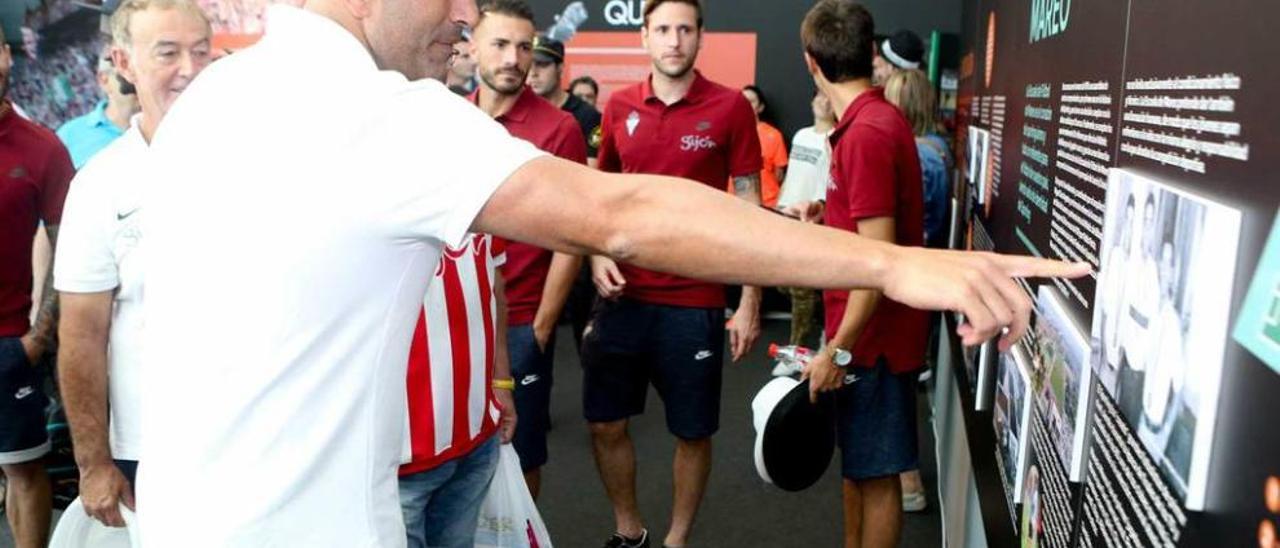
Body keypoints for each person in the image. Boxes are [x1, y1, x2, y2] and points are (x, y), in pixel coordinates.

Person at [131, 0, 1087, 544]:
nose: (462, 18)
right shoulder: (363, 107)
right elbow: (623, 214)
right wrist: (902, 265)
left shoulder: (219, 96)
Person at [587, 1, 765, 546]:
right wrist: (596, 254)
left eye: (684, 29)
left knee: (692, 431)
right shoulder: (617, 107)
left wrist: (750, 301)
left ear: (700, 37)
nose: (673, 40)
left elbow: (749, 207)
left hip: (696, 302)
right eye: (662, 29)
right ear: (644, 37)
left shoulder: (731, 107)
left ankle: (676, 539)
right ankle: (629, 529)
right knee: (605, 425)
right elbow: (600, 196)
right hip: (623, 300)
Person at [53, 0, 212, 528]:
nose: (189, 69)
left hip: (255, 436)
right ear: (124, 62)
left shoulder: (252, 162)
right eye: (168, 53)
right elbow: (81, 335)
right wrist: (93, 462)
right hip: (151, 449)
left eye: (200, 51)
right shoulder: (100, 185)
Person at [792, 2, 929, 546]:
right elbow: (870, 231)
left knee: (876, 478)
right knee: (860, 470)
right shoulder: (867, 123)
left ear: (811, 63)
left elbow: (877, 265)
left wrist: (837, 351)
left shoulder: (869, 132)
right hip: (865, 335)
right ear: (871, 54)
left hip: (873, 342)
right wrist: (831, 214)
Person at [468, 0, 586, 498]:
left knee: (520, 453)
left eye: (523, 47)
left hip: (518, 322)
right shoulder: (448, 119)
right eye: (499, 44)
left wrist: (541, 325)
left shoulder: (559, 130)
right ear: (473, 46)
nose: (514, 58)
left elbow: (574, 236)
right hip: (456, 320)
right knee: (453, 449)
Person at [0, 25, 74, 548]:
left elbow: (68, 248)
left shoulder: (43, 148)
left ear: (7, 56)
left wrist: (36, 340)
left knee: (23, 472)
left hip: (9, 344)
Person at [398, 232, 517, 548]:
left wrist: (500, 382)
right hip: (396, 459)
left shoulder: (477, 190)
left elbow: (494, 284)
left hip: (476, 436)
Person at [882, 67, 948, 514]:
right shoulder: (939, 149)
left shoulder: (920, 157)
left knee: (892, 386)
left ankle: (905, 480)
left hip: (905, 286)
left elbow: (911, 231)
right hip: (922, 282)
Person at [777, 91, 835, 348]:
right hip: (786, 213)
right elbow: (792, 174)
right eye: (819, 97)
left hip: (812, 220)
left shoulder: (836, 138)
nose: (823, 101)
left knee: (803, 288)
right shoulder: (801, 135)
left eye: (828, 98)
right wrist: (780, 202)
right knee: (785, 283)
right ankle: (822, 330)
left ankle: (797, 347)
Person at [55, 50, 140, 169]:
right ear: (104, 81)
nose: (136, 81)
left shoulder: (167, 122)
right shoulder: (69, 136)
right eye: (124, 75)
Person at [526, 35, 602, 167]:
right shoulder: (517, 111)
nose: (533, 72)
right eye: (529, 65)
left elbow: (592, 170)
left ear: (560, 69)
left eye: (542, 64)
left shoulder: (588, 116)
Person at [734, 84, 787, 208]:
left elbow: (778, 175)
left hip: (765, 204)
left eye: (751, 101)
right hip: (733, 202)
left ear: (760, 108)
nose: (745, 104)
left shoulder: (774, 135)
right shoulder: (729, 131)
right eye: (742, 100)